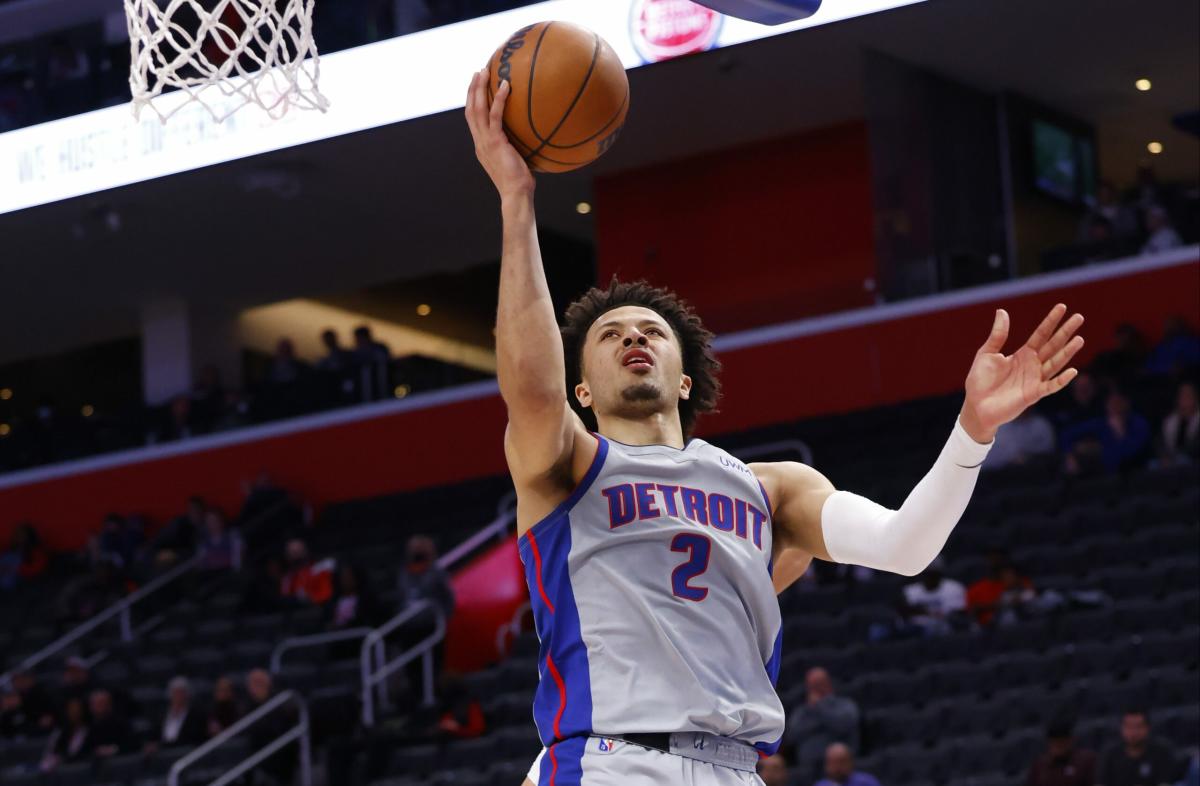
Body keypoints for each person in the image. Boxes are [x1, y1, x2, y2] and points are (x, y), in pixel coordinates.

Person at [466, 67, 1086, 786]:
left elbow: (905, 546)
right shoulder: (568, 463)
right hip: (608, 762)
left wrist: (972, 430)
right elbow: (530, 387)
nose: (633, 336)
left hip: (737, 769)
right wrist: (518, 199)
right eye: (609, 336)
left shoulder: (771, 491)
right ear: (581, 387)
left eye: (651, 331)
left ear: (685, 375)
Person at [396, 535, 455, 700]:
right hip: (410, 628)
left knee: (432, 668)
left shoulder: (437, 573)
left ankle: (433, 699)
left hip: (430, 628)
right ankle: (416, 698)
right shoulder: (404, 573)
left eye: (421, 550)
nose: (417, 554)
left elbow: (448, 599)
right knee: (412, 669)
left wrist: (443, 618)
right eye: (415, 550)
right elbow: (401, 597)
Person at [789, 668, 861, 780]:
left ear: (829, 684)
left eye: (819, 684)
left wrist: (819, 707)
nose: (817, 688)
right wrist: (823, 721)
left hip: (840, 770)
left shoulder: (844, 705)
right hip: (808, 769)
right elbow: (792, 734)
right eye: (813, 685)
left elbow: (844, 724)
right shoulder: (801, 712)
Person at [1063, 389, 1152, 474]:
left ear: (1126, 403)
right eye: (1111, 402)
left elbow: (1127, 455)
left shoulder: (1138, 423)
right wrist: (1069, 454)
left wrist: (1118, 433)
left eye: (1118, 402)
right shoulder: (1100, 423)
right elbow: (1066, 435)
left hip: (1134, 473)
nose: (1115, 406)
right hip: (1100, 476)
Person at [1097, 709, 1182, 786]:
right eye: (1129, 727)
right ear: (1121, 728)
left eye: (1138, 726)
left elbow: (1165, 783)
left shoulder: (1161, 751)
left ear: (1147, 728)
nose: (1133, 732)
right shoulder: (1110, 753)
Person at [967, 551, 1036, 627]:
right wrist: (996, 605)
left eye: (998, 558)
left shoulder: (1019, 582)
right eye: (991, 558)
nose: (994, 562)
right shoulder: (976, 589)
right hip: (989, 628)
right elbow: (972, 611)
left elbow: (1030, 595)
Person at [901, 559, 968, 636]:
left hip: (947, 631)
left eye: (932, 574)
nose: (929, 578)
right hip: (916, 632)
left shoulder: (954, 588)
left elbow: (958, 615)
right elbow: (905, 614)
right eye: (926, 574)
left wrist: (924, 612)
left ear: (939, 574)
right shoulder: (910, 591)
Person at [1026, 716, 1097, 786]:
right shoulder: (1040, 765)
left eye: (1062, 743)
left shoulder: (1086, 761)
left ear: (1071, 740)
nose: (1058, 747)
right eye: (1055, 743)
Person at [983, 408, 1057, 471]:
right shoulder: (999, 427)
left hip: (1033, 474)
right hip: (1002, 475)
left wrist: (1027, 458)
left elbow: (1048, 454)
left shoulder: (1041, 425)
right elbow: (987, 462)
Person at [146, 676, 207, 752]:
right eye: (175, 692)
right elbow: (153, 736)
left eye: (181, 692)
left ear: (187, 695)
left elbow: (193, 739)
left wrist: (162, 746)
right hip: (162, 755)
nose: (178, 696)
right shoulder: (161, 715)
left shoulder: (196, 715)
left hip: (185, 753)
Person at [40, 697, 90, 771]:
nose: (74, 712)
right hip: (60, 769)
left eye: (77, 709)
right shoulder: (60, 732)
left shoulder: (88, 730)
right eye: (71, 709)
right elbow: (50, 752)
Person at [279, 539, 334, 605]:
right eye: (292, 552)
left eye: (298, 551)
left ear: (305, 551)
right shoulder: (288, 578)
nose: (296, 555)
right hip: (299, 611)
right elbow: (285, 599)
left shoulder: (320, 568)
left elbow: (326, 595)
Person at [1159, 381, 1200, 465]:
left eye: (1188, 396)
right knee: (1152, 465)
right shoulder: (1169, 421)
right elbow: (1160, 444)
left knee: (1183, 461)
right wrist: (1164, 456)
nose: (1184, 400)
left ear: (1196, 399)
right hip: (1170, 460)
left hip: (1194, 463)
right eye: (1182, 396)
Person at [0, 522, 49, 591]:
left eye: (21, 534)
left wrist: (15, 569)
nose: (17, 536)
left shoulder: (36, 552)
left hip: (18, 583)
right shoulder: (7, 550)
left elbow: (36, 569)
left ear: (28, 535)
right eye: (16, 533)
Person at [88, 688, 135, 758]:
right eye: (94, 704)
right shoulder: (87, 727)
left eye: (101, 703)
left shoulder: (121, 724)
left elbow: (132, 744)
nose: (98, 707)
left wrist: (114, 749)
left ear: (109, 705)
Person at [352, 325, 392, 401]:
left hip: (383, 389)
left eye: (360, 338)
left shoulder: (380, 349)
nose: (358, 341)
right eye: (357, 339)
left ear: (367, 337)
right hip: (365, 394)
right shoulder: (355, 354)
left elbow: (387, 364)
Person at [814, 742, 881, 786]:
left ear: (850, 762)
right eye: (833, 763)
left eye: (841, 762)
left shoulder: (866, 782)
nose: (837, 767)